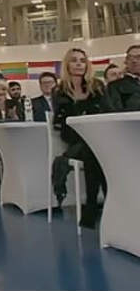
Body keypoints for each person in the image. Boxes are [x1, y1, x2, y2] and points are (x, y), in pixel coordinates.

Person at [52, 48, 111, 228]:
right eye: (74, 60)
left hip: (98, 138)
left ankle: (92, 206)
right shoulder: (59, 90)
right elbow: (62, 121)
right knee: (91, 149)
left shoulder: (97, 86)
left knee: (93, 150)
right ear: (67, 65)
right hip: (74, 140)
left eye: (82, 60)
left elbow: (107, 112)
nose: (79, 64)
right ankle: (106, 203)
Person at [108, 45, 140, 110]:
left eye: (139, 57)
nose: (134, 61)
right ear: (126, 62)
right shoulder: (114, 87)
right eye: (130, 58)